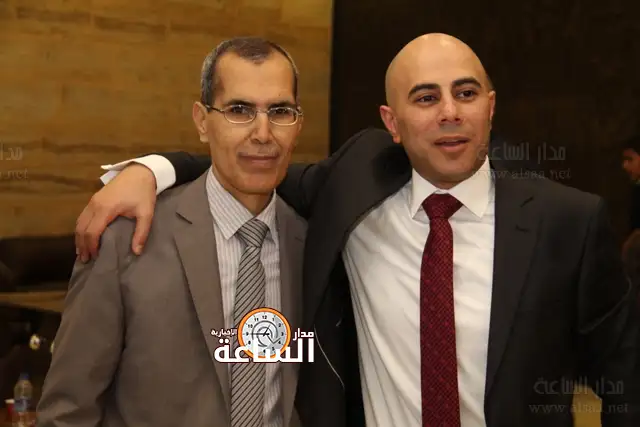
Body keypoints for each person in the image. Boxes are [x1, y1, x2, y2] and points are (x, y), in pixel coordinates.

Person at [75, 33, 640, 426]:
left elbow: (626, 386)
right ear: (392, 122)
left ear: (490, 107)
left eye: (466, 93)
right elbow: (250, 160)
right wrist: (152, 169)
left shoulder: (568, 222)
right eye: (426, 97)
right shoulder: (352, 184)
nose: (450, 112)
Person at [37, 37, 309, 427]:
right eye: (239, 110)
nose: (263, 133)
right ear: (202, 121)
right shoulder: (125, 240)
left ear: (298, 123)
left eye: (280, 111)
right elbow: (68, 412)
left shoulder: (312, 244)